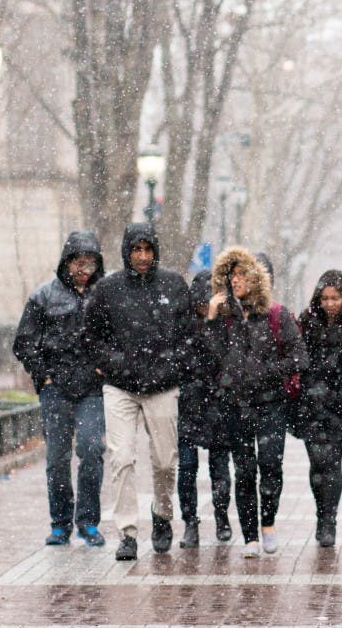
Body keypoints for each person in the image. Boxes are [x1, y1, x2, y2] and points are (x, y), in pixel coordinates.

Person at [83, 222, 193, 561]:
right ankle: (127, 533)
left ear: (155, 251)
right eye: (136, 250)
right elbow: (91, 336)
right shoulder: (108, 289)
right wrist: (113, 362)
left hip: (162, 385)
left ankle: (162, 514)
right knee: (122, 457)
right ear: (127, 251)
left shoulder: (173, 285)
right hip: (121, 387)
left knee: (164, 460)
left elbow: (189, 336)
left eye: (147, 250)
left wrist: (171, 365)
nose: (142, 257)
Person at [205, 247, 307, 557]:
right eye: (230, 275)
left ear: (255, 278)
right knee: (245, 470)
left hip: (271, 403)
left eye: (241, 275)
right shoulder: (224, 319)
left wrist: (266, 372)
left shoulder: (276, 315)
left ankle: (268, 524)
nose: (236, 281)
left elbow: (299, 357)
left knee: (271, 464)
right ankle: (249, 535)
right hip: (237, 405)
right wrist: (211, 317)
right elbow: (212, 357)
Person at [13, 231, 107, 548]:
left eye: (91, 263)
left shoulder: (103, 296)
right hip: (56, 389)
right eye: (80, 262)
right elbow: (24, 343)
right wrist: (45, 376)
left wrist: (102, 368)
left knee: (92, 450)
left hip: (92, 388)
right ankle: (60, 523)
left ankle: (89, 522)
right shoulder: (43, 296)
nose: (86, 269)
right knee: (57, 458)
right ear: (67, 262)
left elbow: (118, 338)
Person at [292, 270, 342, 547]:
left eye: (335, 298)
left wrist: (337, 398)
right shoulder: (306, 323)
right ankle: (320, 512)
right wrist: (311, 395)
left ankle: (329, 520)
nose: (330, 303)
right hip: (309, 406)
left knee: (332, 462)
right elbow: (299, 360)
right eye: (325, 298)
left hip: (340, 407)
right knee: (317, 464)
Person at [176, 270, 235, 547]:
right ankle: (190, 521)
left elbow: (221, 359)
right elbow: (188, 361)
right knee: (187, 467)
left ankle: (222, 515)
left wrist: (212, 321)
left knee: (220, 466)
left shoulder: (228, 326)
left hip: (219, 404)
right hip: (189, 403)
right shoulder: (184, 327)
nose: (205, 309)